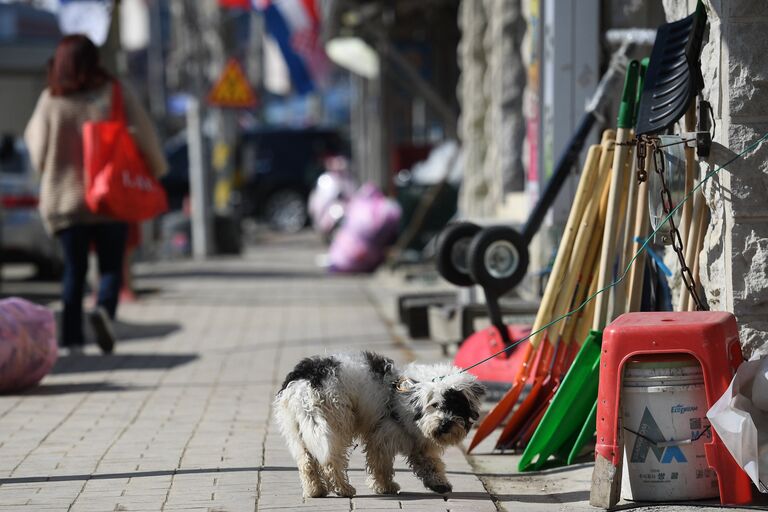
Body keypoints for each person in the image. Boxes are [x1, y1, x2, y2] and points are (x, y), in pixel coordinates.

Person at [24, 34, 167, 355]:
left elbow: (37, 150)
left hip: (65, 202)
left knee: (73, 272)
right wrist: (156, 169)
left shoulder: (51, 99)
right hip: (109, 198)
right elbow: (145, 133)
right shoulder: (113, 92)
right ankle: (103, 309)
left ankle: (72, 342)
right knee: (111, 267)